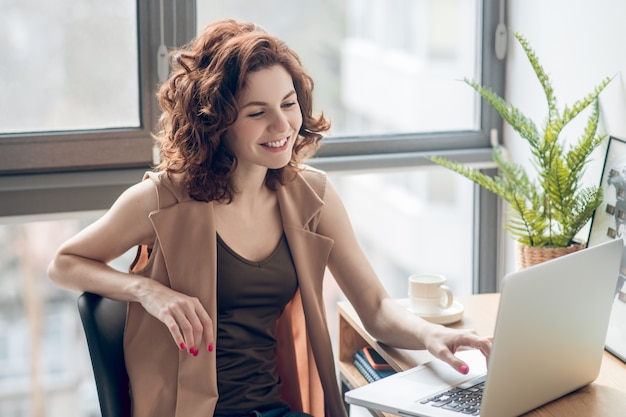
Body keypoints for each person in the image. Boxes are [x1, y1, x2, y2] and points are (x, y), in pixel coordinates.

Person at [48, 19, 491, 417]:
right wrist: (148, 291)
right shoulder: (165, 198)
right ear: (215, 123)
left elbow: (374, 307)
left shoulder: (311, 196)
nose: (282, 126)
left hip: (272, 409)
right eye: (257, 113)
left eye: (288, 104)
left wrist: (433, 337)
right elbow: (64, 264)